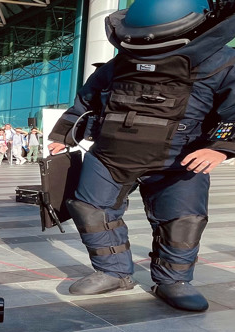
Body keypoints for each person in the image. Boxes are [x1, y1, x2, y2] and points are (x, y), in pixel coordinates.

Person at [47, 0, 235, 312]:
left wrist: (220, 148)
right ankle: (112, 272)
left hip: (180, 161)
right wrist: (62, 135)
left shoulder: (222, 62)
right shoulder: (121, 61)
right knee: (91, 209)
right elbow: (87, 99)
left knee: (182, 220)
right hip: (110, 155)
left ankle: (174, 280)